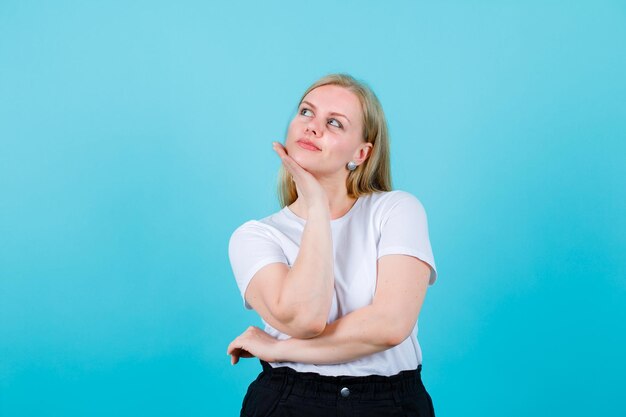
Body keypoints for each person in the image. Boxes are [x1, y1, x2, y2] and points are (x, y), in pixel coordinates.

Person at [227, 73, 438, 416]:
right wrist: (317, 207)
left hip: (389, 403)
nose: (312, 127)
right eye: (306, 112)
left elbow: (389, 327)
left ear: (361, 152)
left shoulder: (397, 210)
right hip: (290, 400)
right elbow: (305, 319)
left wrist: (280, 350)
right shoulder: (254, 237)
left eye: (335, 123)